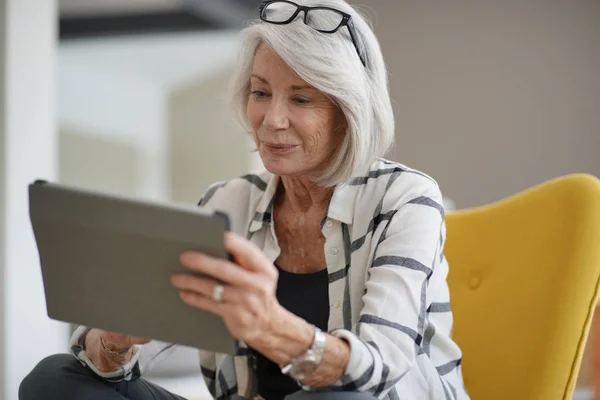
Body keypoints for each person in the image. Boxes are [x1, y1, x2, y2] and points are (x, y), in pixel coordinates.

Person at [20, 0, 470, 399]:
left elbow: (383, 366)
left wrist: (269, 326)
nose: (272, 119)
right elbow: (136, 352)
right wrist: (117, 340)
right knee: (54, 378)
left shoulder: (406, 199)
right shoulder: (227, 202)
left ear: (349, 111)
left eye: (301, 98)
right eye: (260, 92)